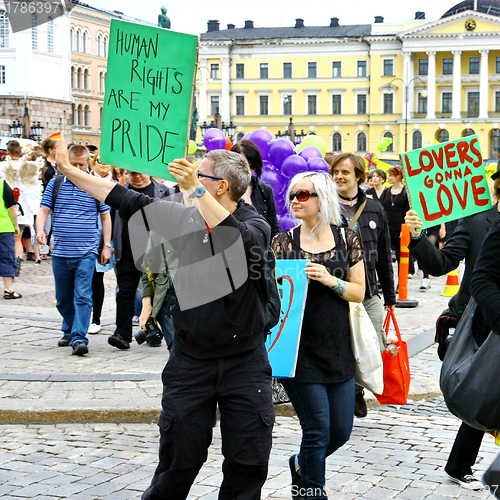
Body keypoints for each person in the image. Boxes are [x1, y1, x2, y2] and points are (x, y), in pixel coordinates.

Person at [52, 135, 274, 499]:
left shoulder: (254, 224)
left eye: (196, 175)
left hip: (244, 362)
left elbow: (236, 241)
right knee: (177, 463)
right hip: (191, 361)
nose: (184, 179)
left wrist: (194, 191)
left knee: (247, 463)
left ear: (221, 187)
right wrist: (68, 170)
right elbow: (120, 197)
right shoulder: (181, 218)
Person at [404, 164, 500, 490]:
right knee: (479, 391)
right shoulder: (476, 220)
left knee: (489, 392)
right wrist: (418, 236)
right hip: (473, 324)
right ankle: (461, 465)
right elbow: (442, 264)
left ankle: (460, 464)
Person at [271, 171, 365, 500]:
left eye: (303, 195)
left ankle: (301, 465)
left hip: (337, 349)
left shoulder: (347, 239)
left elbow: (358, 292)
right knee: (317, 430)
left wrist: (329, 280)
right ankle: (311, 493)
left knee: (339, 432)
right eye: (293, 195)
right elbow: (270, 295)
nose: (295, 200)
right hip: (298, 352)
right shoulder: (282, 243)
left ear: (322, 199)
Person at [329, 153, 396, 418]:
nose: (339, 177)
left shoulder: (375, 208)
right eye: (335, 172)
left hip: (369, 292)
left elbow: (383, 253)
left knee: (375, 344)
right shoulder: (327, 207)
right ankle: (352, 394)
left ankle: (357, 387)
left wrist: (389, 295)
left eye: (345, 172)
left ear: (358, 176)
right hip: (339, 290)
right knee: (345, 345)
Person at [36, 145, 112, 356]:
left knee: (83, 296)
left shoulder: (96, 185)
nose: (78, 168)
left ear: (88, 163)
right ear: (67, 163)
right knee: (62, 297)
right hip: (60, 251)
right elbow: (43, 210)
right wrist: (40, 231)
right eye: (74, 164)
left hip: (86, 251)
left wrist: (106, 246)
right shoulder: (56, 183)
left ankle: (79, 338)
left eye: (82, 164)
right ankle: (69, 329)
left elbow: (106, 217)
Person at [109, 170, 169, 350]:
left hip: (155, 252)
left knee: (156, 294)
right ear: (126, 174)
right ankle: (122, 333)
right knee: (125, 292)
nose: (137, 177)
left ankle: (152, 331)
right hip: (127, 252)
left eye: (141, 173)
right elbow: (111, 220)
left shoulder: (164, 192)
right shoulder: (118, 192)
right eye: (132, 173)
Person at [0, 140, 44, 274]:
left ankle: (10, 264)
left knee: (9, 238)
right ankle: (16, 265)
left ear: (8, 152)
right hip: (24, 205)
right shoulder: (29, 166)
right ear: (20, 152)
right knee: (18, 237)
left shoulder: (2, 166)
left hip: (7, 204)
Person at [88, 152, 115, 334]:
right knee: (83, 278)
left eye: (107, 162)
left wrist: (108, 243)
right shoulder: (85, 181)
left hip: (106, 237)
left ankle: (96, 318)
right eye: (100, 160)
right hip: (85, 235)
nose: (104, 164)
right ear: (93, 162)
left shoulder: (116, 186)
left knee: (98, 277)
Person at [232, 139, 280, 238]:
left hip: (260, 250)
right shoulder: (222, 188)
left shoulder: (264, 189)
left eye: (252, 167)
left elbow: (274, 228)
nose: (248, 171)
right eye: (242, 166)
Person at [0, 178, 22, 299]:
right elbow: (11, 207)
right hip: (3, 227)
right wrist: (16, 225)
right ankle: (8, 290)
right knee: (6, 257)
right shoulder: (2, 184)